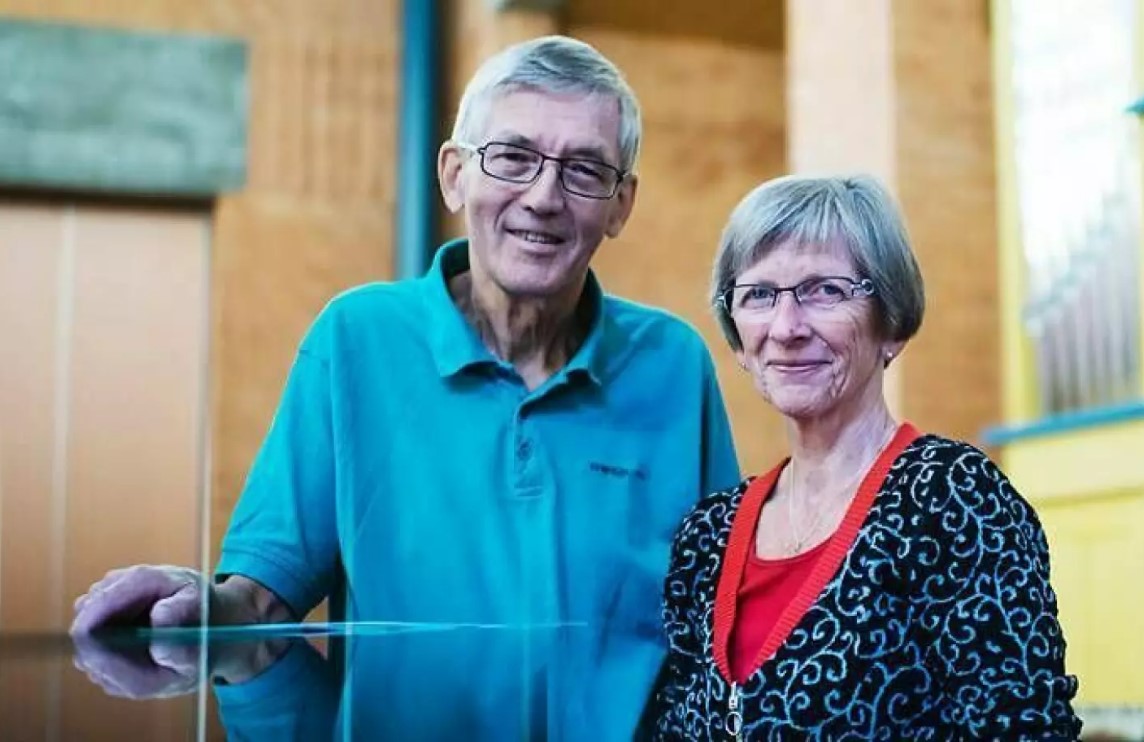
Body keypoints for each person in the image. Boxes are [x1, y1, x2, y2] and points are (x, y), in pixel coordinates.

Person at [69, 35, 740, 734]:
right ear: (455, 175)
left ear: (621, 204)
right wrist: (201, 606)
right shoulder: (355, 341)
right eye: (513, 157)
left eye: (584, 170)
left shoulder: (673, 365)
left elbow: (720, 620)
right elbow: (261, 605)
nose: (544, 197)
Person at [648, 174, 1081, 739]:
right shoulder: (708, 536)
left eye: (824, 291)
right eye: (759, 295)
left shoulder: (951, 500)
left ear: (891, 325)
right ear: (738, 340)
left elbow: (1024, 729)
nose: (786, 327)